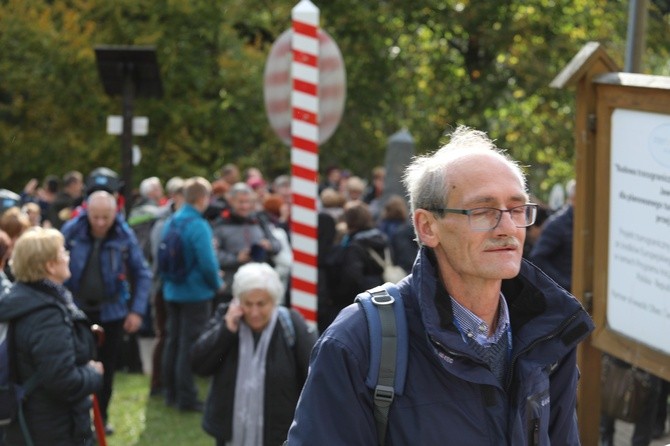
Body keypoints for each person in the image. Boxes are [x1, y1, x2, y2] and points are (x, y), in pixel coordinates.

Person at [285, 126, 595, 445]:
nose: (508, 228)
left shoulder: (548, 333)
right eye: (483, 211)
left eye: (517, 209)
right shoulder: (358, 340)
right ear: (428, 227)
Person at [191, 263, 317, 446]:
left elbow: (313, 376)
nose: (254, 312)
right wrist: (226, 330)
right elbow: (199, 365)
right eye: (247, 304)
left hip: (279, 433)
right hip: (230, 433)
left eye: (261, 304)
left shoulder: (291, 324)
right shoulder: (227, 317)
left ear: (274, 301)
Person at [0, 228, 103, 445]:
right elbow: (63, 380)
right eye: (62, 252)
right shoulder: (46, 314)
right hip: (53, 428)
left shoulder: (24, 299)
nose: (68, 256)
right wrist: (93, 373)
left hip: (34, 420)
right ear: (50, 265)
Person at [61, 190, 152, 435]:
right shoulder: (71, 232)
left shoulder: (124, 235)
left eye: (106, 217)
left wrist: (137, 311)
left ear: (115, 214)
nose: (101, 223)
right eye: (96, 217)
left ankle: (101, 418)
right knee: (73, 368)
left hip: (111, 312)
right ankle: (76, 418)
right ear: (87, 212)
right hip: (76, 311)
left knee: (106, 369)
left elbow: (142, 274)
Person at [161, 177, 223, 412]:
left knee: (173, 341)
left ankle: (170, 392)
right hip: (195, 293)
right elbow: (207, 262)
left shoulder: (172, 220)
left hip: (172, 289)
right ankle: (186, 397)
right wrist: (217, 284)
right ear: (202, 198)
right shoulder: (198, 225)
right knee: (189, 346)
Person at [212, 182, 281, 304]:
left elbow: (277, 245)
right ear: (231, 201)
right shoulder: (220, 223)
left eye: (248, 202)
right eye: (240, 202)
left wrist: (268, 246)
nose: (245, 206)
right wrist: (236, 258)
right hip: (231, 288)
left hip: (260, 285)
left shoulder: (259, 220)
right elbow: (213, 255)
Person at [530, 179, 575, 291]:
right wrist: (564, 283)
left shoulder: (586, 223)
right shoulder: (558, 224)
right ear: (573, 198)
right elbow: (537, 257)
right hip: (565, 295)